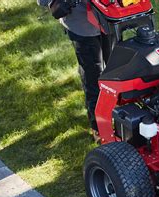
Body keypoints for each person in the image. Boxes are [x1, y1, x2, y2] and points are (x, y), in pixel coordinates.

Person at [37, 0, 110, 135]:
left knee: (114, 69)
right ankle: (98, 127)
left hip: (111, 17)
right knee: (93, 74)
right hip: (82, 25)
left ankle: (116, 111)